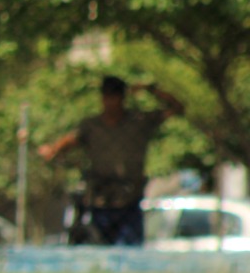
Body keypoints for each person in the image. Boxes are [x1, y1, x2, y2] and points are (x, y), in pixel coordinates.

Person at [38, 75, 184, 245]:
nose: (110, 102)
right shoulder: (92, 126)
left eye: (114, 96)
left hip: (130, 200)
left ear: (122, 97)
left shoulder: (139, 122)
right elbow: (70, 140)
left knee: (130, 254)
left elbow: (177, 108)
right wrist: (53, 150)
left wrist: (150, 90)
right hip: (101, 202)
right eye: (107, 96)